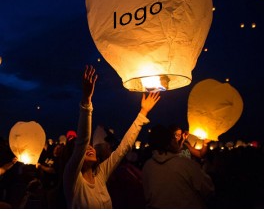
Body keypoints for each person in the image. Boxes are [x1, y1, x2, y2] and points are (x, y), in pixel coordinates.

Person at [63, 65, 160, 208]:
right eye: (84, 147)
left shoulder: (100, 175)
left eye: (90, 146)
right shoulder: (72, 179)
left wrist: (143, 113)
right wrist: (86, 101)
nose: (89, 147)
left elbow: (123, 148)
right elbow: (83, 140)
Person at [143, 124, 215, 208]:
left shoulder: (147, 166)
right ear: (170, 141)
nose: (177, 138)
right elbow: (208, 190)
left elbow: (147, 196)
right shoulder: (186, 164)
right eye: (174, 136)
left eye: (180, 135)